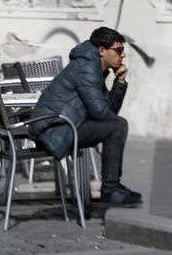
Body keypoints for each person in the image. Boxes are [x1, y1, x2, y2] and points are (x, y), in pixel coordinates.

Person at [28, 26, 142, 207]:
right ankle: (110, 190)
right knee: (118, 126)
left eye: (122, 51)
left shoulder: (96, 67)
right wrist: (110, 116)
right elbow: (100, 113)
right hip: (55, 132)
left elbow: (108, 111)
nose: (122, 55)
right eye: (118, 50)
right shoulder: (87, 67)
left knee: (117, 124)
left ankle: (112, 187)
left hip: (64, 126)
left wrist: (119, 82)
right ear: (102, 50)